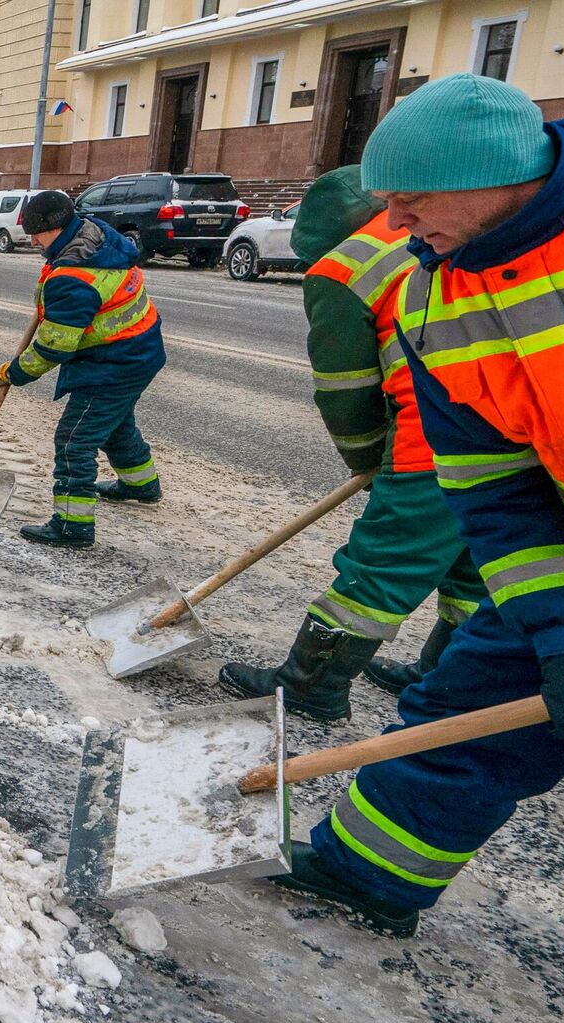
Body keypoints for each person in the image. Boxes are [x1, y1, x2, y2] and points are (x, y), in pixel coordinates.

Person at [265, 74, 564, 1023]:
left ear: (498, 175)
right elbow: (497, 492)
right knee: (472, 701)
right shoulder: (432, 297)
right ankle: (365, 873)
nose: (392, 220)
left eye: (412, 198)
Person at [218, 166, 486, 721]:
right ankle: (448, 676)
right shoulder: (445, 227)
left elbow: (346, 392)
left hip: (441, 435)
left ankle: (312, 686)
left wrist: (370, 460)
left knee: (381, 564)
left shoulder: (344, 268)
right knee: (473, 558)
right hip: (516, 423)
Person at [0, 190, 166, 549]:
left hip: (113, 363)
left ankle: (73, 524)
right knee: (115, 425)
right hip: (139, 349)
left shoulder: (74, 276)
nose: (33, 241)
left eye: (37, 233)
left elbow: (55, 345)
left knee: (75, 439)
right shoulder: (96, 237)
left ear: (57, 228)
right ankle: (141, 484)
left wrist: (15, 373)